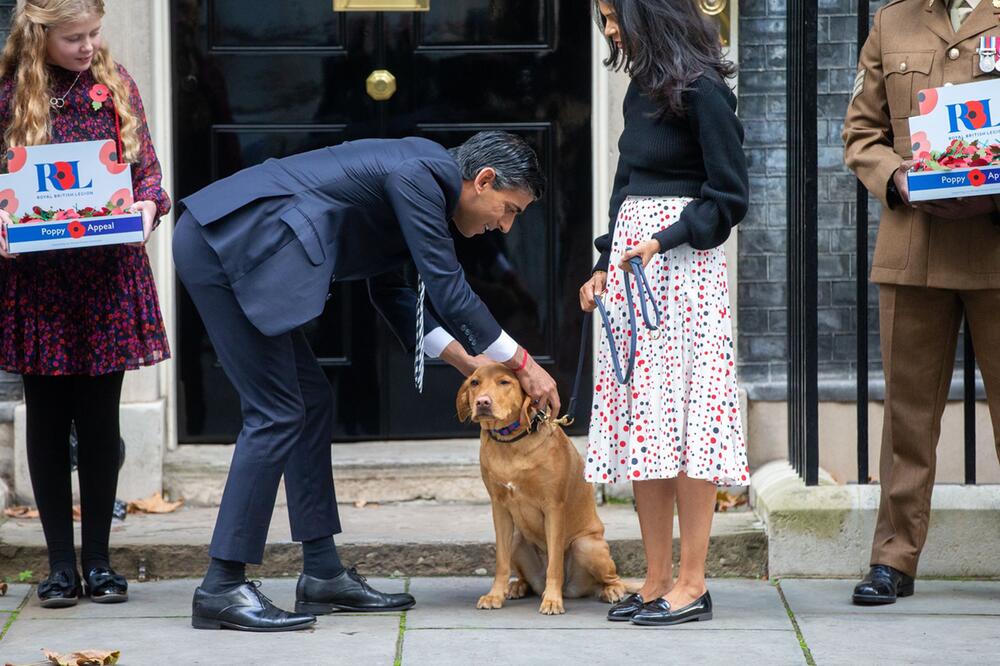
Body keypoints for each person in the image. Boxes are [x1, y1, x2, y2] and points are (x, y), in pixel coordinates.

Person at [173, 130, 560, 632]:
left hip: (242, 248)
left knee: (309, 401)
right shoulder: (421, 174)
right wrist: (523, 361)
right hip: (227, 245)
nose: (504, 226)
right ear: (483, 181)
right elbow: (448, 287)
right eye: (508, 209)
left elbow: (394, 295)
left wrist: (466, 362)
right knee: (277, 411)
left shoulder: (424, 186)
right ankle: (222, 586)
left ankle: (322, 573)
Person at [578, 0, 749, 627]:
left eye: (613, 13)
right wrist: (604, 262)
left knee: (687, 421)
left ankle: (693, 583)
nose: (609, 27)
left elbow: (730, 194)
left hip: (683, 272)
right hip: (633, 270)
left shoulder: (703, 90)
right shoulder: (639, 90)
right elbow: (627, 182)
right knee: (646, 423)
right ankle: (653, 579)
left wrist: (667, 238)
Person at [0, 0, 170, 608]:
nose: (89, 46)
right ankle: (57, 568)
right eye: (75, 37)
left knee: (101, 423)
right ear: (38, 34)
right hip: (39, 284)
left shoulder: (113, 83)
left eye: (95, 33)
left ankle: (98, 561)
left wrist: (146, 210)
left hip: (106, 281)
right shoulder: (10, 93)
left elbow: (148, 175)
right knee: (46, 422)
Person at [844, 0, 1000, 605]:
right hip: (915, 246)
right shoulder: (893, 21)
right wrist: (899, 177)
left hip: (994, 247)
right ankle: (894, 560)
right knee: (907, 419)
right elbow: (862, 133)